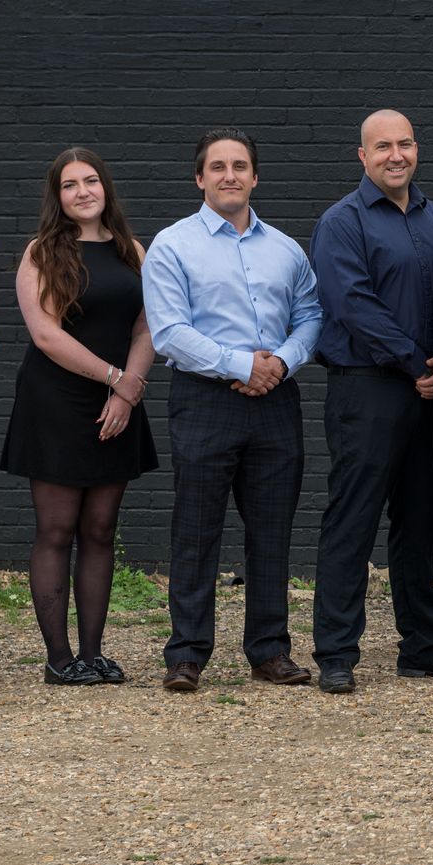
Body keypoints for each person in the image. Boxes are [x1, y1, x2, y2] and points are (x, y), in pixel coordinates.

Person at [143, 128, 322, 693]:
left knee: (271, 532)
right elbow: (169, 332)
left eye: (240, 165)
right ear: (199, 178)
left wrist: (281, 364)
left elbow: (312, 315)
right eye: (217, 167)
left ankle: (269, 651)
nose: (229, 175)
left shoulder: (285, 249)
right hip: (204, 401)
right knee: (196, 529)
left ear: (255, 176)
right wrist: (243, 366)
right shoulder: (173, 245)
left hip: (276, 401)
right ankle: (187, 654)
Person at [308, 110, 433, 696]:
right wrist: (413, 362)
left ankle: (422, 646)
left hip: (432, 392)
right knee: (353, 518)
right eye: (383, 147)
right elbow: (351, 302)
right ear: (363, 156)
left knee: (420, 520)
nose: (395, 155)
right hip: (368, 388)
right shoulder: (341, 222)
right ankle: (335, 650)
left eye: (404, 144)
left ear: (416, 150)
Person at [0, 148, 159, 686]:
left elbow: (147, 327)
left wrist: (127, 392)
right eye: (70, 185)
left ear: (106, 188)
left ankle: (93, 653)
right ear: (58, 196)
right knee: (57, 529)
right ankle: (59, 659)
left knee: (100, 529)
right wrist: (115, 379)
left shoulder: (132, 250)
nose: (83, 191)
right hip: (57, 404)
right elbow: (45, 334)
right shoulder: (41, 252)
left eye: (91, 181)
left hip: (117, 401)